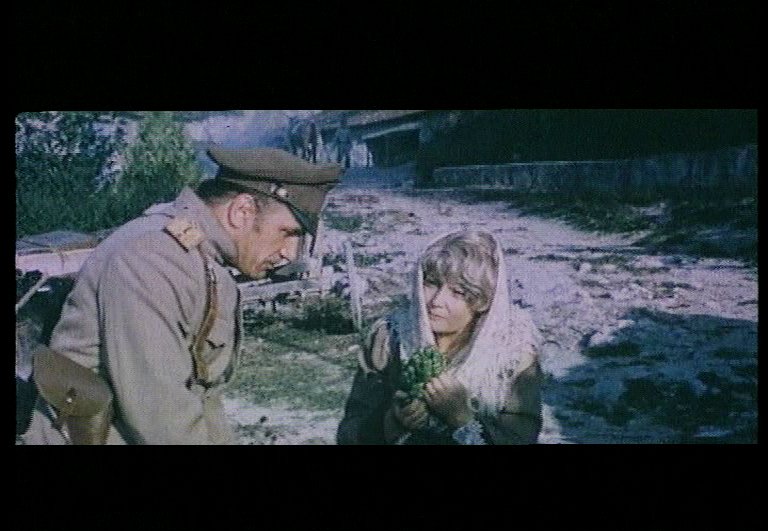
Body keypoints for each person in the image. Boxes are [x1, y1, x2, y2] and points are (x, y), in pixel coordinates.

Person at [21, 147, 341, 445]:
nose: (288, 253)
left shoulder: (198, 261)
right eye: (288, 233)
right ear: (242, 211)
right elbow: (159, 413)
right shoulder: (152, 259)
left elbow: (202, 397)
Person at [337, 230, 545, 445]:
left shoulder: (512, 356)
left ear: (483, 301)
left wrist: (463, 419)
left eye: (458, 292)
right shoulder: (390, 339)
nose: (436, 300)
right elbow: (350, 430)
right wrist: (391, 422)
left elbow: (522, 436)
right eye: (432, 283)